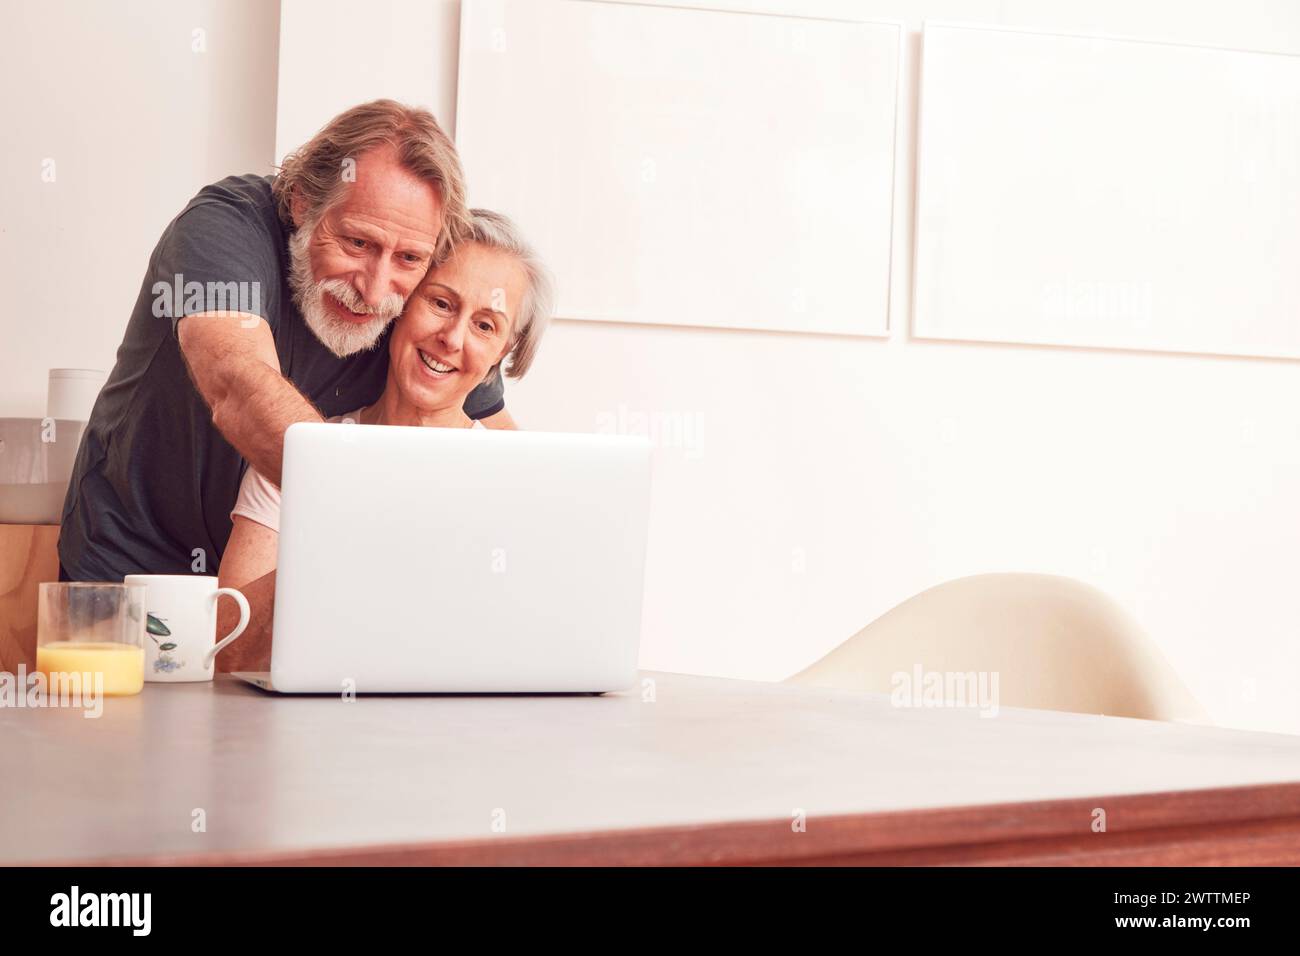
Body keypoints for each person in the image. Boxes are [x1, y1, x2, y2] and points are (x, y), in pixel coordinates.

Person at [58, 100, 518, 582]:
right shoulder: (222, 230)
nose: (375, 291)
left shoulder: (416, 310)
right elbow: (239, 386)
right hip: (128, 564)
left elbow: (501, 447)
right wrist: (390, 532)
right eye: (357, 244)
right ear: (301, 201)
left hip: (268, 573)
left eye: (408, 259)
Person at [213, 210, 552, 673]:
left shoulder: (517, 478)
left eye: (485, 325)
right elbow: (227, 647)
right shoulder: (302, 453)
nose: (452, 338)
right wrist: (362, 538)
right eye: (442, 304)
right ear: (402, 305)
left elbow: (534, 644)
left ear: (500, 356)